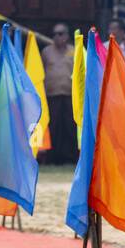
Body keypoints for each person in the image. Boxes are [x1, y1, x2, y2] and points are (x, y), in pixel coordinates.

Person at [40, 23, 77, 165]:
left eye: (60, 33)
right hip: (52, 95)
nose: (57, 36)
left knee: (70, 126)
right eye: (54, 34)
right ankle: (53, 158)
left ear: (67, 35)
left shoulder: (74, 51)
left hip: (70, 95)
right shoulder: (46, 51)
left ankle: (71, 157)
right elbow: (41, 71)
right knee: (54, 126)